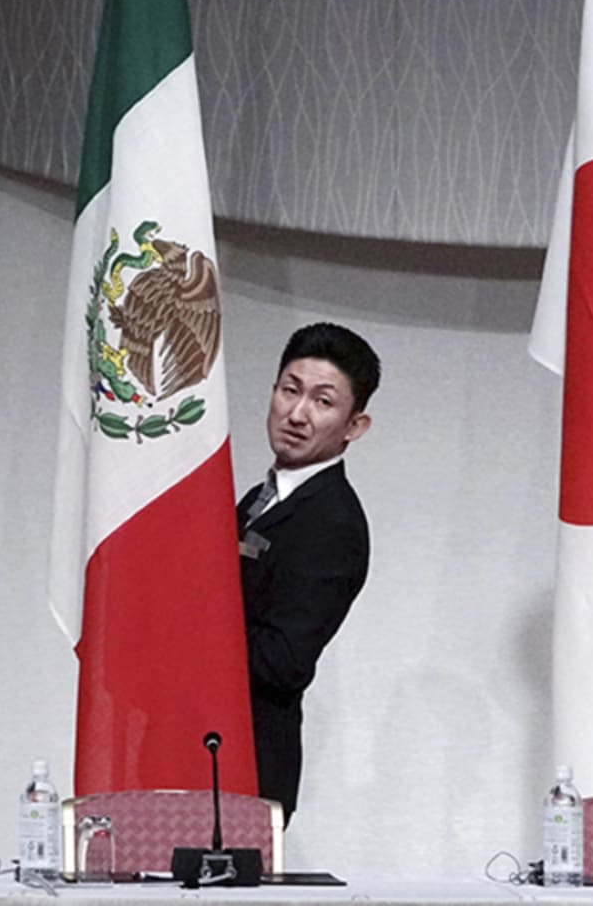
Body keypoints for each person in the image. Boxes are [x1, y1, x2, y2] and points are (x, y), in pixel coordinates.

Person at [236, 322, 380, 822]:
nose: (297, 414)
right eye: (289, 390)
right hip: (203, 750)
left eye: (322, 401)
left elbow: (285, 661)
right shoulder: (258, 498)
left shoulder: (333, 522)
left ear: (354, 426)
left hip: (247, 774)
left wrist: (191, 627)